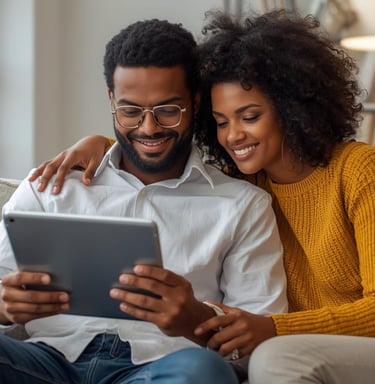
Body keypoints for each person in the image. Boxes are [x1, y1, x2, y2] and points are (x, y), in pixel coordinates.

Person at [31, 10, 375, 384]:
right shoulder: (249, 182)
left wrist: (274, 328)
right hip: (302, 344)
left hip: (343, 345)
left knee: (275, 361)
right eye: (222, 121)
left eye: (249, 116)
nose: (233, 136)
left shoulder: (358, 170)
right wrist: (105, 143)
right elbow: (154, 155)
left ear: (292, 108)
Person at [0, 18, 287, 384]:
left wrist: (195, 319)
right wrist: (5, 307)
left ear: (196, 101)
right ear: (111, 100)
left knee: (204, 372)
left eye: (168, 110)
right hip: (46, 362)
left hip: (162, 367)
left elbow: (258, 347)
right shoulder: (51, 185)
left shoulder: (243, 205)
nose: (148, 128)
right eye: (131, 111)